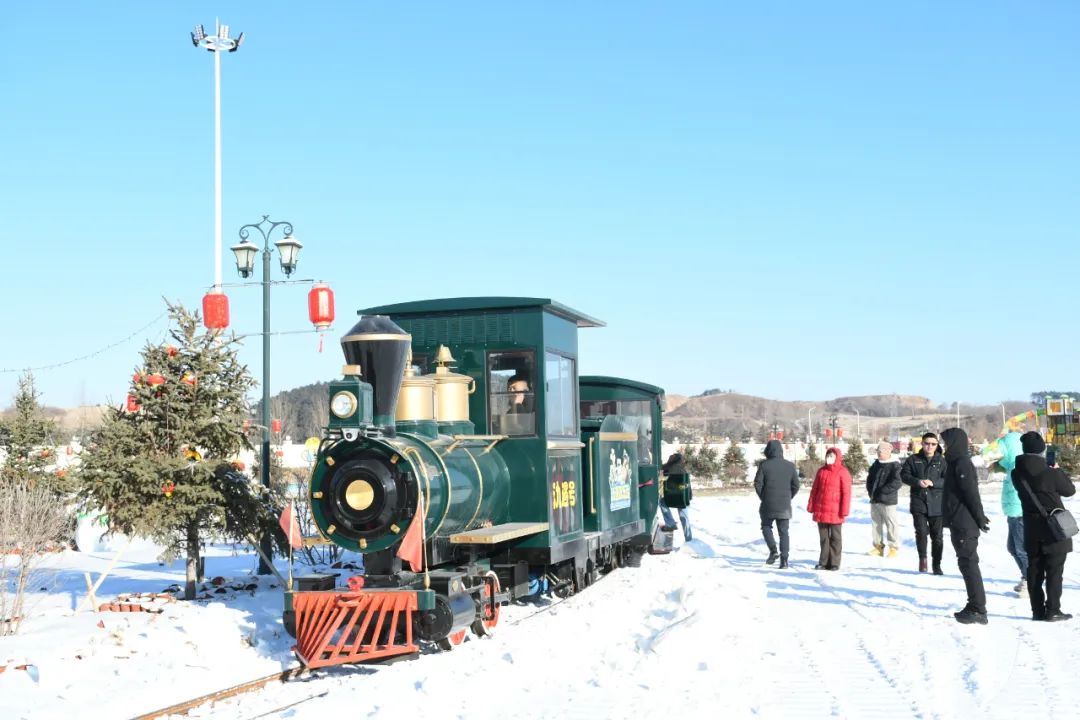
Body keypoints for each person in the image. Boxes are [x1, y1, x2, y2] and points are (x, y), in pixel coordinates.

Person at [1013, 431, 1076, 622]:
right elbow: (1069, 490)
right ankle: (1053, 610)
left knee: (1035, 570)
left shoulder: (1017, 473)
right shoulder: (1049, 472)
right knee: (1055, 571)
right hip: (1054, 528)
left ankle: (1037, 611)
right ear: (1041, 451)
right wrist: (1057, 470)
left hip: (1032, 528)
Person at [941, 427, 990, 625]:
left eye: (945, 443)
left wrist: (979, 517)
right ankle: (975, 605)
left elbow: (971, 493)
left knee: (969, 564)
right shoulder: (954, 463)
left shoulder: (961, 463)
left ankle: (978, 608)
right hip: (958, 521)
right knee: (966, 563)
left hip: (964, 523)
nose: (944, 447)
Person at [901, 432, 947, 574]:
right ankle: (923, 560)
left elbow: (948, 480)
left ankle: (937, 564)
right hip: (919, 502)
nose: (930, 446)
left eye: (933, 444)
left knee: (937, 537)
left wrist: (933, 483)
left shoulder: (942, 461)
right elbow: (904, 475)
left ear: (937, 445)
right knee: (921, 532)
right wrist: (917, 482)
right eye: (927, 443)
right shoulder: (913, 459)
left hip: (937, 504)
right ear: (922, 444)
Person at [753, 439, 800, 569]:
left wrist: (763, 496)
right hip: (784, 504)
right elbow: (796, 485)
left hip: (768, 503)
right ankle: (784, 560)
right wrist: (789, 496)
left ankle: (773, 550)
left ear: (768, 450)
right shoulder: (790, 466)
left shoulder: (764, 465)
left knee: (766, 526)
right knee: (784, 532)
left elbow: (757, 483)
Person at [807, 447, 851, 571]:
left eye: (832, 456)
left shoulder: (843, 472)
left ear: (837, 457)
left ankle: (835, 562)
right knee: (824, 538)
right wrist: (811, 505)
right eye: (828, 456)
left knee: (835, 538)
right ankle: (823, 561)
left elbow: (846, 493)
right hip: (821, 510)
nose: (829, 458)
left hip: (836, 511)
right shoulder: (821, 471)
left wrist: (844, 510)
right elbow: (814, 490)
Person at [996, 432, 1028, 597]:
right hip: (1012, 512)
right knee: (1012, 548)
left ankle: (1030, 581)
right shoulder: (1010, 466)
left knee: (1021, 549)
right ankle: (1027, 576)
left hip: (1020, 512)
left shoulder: (1020, 466)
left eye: (1004, 449)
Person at [866, 441, 903, 558]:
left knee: (891, 524)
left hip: (888, 501)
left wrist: (883, 491)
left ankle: (893, 548)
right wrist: (870, 491)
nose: (878, 454)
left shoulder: (895, 465)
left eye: (880, 451)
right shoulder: (876, 464)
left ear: (888, 451)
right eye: (878, 451)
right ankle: (878, 547)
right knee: (876, 524)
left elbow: (897, 482)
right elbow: (869, 479)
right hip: (874, 499)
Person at [659, 453, 692, 542]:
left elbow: (661, 478)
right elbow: (687, 485)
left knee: (661, 502)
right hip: (682, 497)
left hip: (671, 496)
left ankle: (670, 523)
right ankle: (689, 538)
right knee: (684, 517)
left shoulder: (666, 468)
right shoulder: (683, 470)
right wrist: (688, 497)